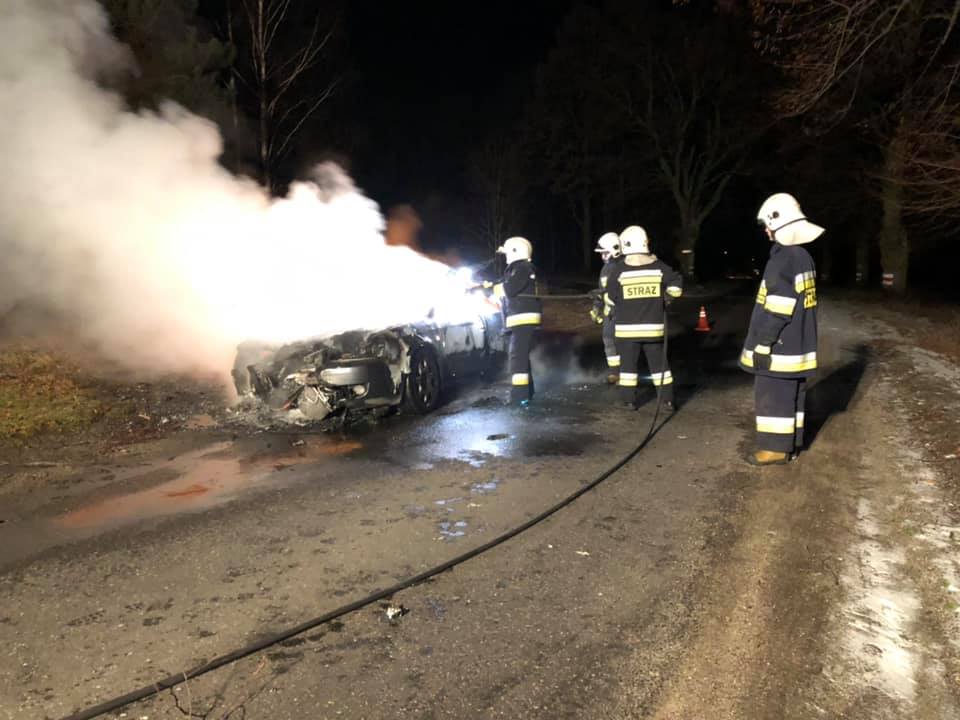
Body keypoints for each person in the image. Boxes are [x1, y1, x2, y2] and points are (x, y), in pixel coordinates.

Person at [739, 193, 823, 466]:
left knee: (772, 397)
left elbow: (778, 307)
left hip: (779, 348)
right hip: (797, 346)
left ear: (780, 224)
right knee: (791, 397)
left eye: (768, 225)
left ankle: (774, 450)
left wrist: (764, 343)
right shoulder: (803, 256)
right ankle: (791, 444)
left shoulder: (783, 259)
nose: (766, 230)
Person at [606, 226, 683, 411]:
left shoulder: (619, 269)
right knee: (660, 367)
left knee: (628, 369)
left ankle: (628, 401)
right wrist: (667, 297)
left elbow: (610, 297)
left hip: (626, 331)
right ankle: (667, 401)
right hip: (653, 328)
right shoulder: (658, 266)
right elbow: (676, 284)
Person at [485, 237, 541, 406]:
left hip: (523, 319)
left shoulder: (523, 268)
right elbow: (505, 286)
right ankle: (527, 393)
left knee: (517, 358)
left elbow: (509, 288)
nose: (506, 256)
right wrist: (488, 286)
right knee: (521, 357)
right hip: (520, 320)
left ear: (516, 252)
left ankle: (520, 397)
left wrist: (489, 288)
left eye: (508, 253)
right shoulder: (518, 269)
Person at [591, 232, 623, 384]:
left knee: (621, 343)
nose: (602, 256)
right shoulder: (606, 269)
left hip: (622, 313)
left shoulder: (622, 266)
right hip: (610, 314)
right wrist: (597, 308)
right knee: (609, 341)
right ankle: (615, 373)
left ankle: (624, 372)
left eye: (605, 252)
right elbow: (600, 290)